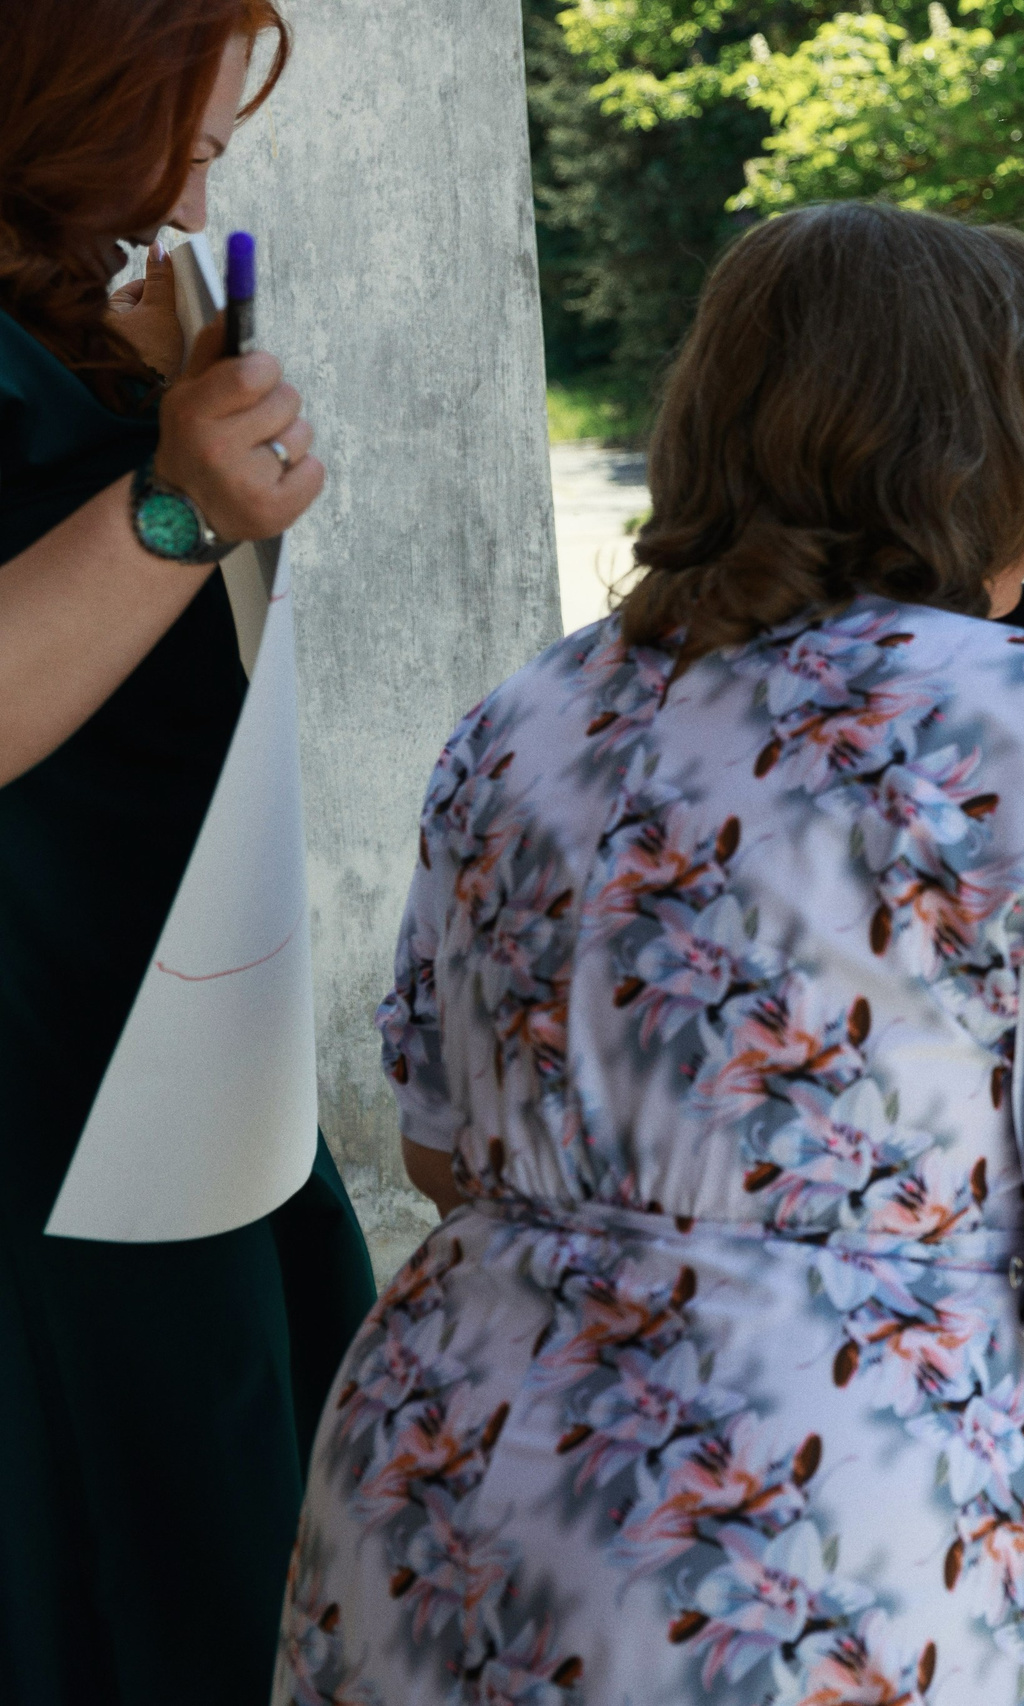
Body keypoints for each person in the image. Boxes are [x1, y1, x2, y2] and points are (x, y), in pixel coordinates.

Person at [277, 202, 1024, 1706]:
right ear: (983, 453)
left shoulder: (527, 718)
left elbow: (441, 1155)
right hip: (810, 1513)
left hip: (449, 1478)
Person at [0, 10, 377, 1704]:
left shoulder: (52, 300)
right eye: (192, 141)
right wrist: (174, 507)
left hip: (157, 1088)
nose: (201, 182)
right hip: (43, 1141)